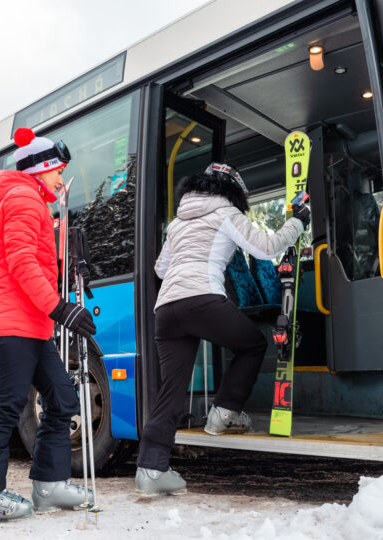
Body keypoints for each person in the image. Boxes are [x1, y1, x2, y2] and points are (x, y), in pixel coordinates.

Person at [135, 163, 310, 497]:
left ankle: (151, 469)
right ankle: (224, 412)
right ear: (234, 190)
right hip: (202, 299)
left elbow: (160, 267)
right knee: (252, 345)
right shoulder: (227, 213)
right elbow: (267, 248)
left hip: (167, 308)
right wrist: (297, 222)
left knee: (171, 389)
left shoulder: (176, 223)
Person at [0, 128, 96, 520]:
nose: (61, 178)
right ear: (43, 168)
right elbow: (21, 262)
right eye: (59, 171)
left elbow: (31, 258)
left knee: (62, 399)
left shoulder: (35, 202)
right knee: (6, 406)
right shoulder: (23, 198)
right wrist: (60, 308)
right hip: (15, 323)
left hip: (33, 325)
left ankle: (49, 485)